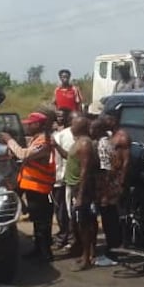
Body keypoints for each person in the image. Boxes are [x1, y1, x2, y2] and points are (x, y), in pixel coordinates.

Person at [0, 112, 56, 263]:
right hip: (33, 187)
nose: (27, 126)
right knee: (37, 221)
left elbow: (24, 155)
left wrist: (9, 140)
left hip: (40, 188)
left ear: (38, 124)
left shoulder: (43, 141)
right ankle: (38, 249)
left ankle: (45, 253)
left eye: (30, 124)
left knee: (42, 223)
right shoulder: (37, 139)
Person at [94, 111, 131, 266]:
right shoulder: (111, 136)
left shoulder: (121, 137)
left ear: (114, 120)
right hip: (108, 182)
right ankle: (112, 249)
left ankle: (113, 253)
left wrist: (119, 184)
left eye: (107, 118)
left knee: (111, 219)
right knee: (108, 217)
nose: (104, 120)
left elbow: (125, 163)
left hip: (113, 183)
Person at [63, 116, 98, 271]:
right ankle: (87, 253)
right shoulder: (77, 142)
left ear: (81, 127)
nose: (71, 127)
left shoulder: (84, 144)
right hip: (74, 186)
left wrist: (81, 195)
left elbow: (85, 171)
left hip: (81, 188)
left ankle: (86, 258)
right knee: (80, 223)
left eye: (73, 124)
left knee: (84, 223)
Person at [51, 111, 79, 251]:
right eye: (75, 121)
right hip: (62, 179)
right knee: (62, 210)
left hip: (78, 180)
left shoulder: (86, 136)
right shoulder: (60, 136)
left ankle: (73, 239)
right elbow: (57, 161)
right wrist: (57, 179)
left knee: (74, 211)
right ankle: (64, 236)